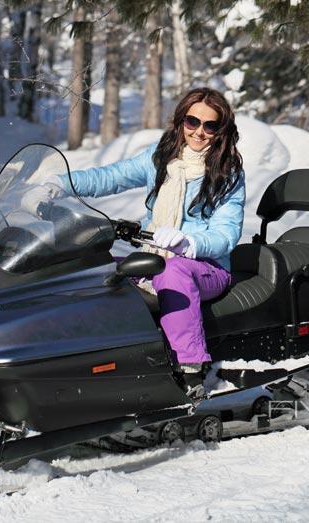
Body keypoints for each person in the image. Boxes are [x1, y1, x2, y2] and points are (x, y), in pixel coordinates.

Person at [59, 87, 245, 396]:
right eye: (192, 122)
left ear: (221, 130)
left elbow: (226, 233)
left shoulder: (228, 173)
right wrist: (58, 185)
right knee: (95, 268)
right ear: (180, 122)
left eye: (210, 125)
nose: (199, 132)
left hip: (207, 267)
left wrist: (189, 242)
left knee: (174, 272)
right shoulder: (160, 158)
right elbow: (109, 177)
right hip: (156, 256)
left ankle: (190, 370)